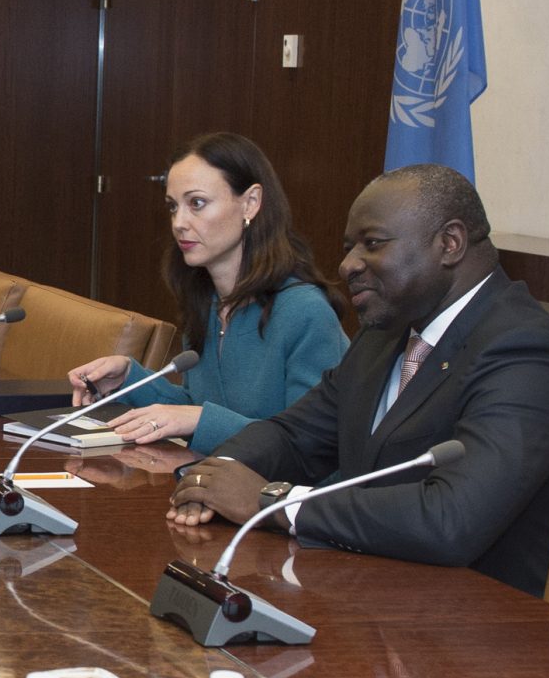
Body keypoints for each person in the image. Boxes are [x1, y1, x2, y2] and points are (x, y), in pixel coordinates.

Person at [166, 163, 549, 595]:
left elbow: (450, 519)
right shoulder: (387, 334)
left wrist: (273, 502)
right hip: (368, 591)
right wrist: (214, 476)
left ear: (450, 243)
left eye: (372, 244)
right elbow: (297, 434)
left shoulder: (526, 355)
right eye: (350, 246)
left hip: (475, 628)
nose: (348, 264)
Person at [68, 132, 347, 453]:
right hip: (216, 484)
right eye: (173, 206)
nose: (179, 223)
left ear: (251, 203)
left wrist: (200, 420)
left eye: (196, 203)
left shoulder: (304, 310)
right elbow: (198, 407)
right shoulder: (207, 302)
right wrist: (129, 381)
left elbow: (313, 444)